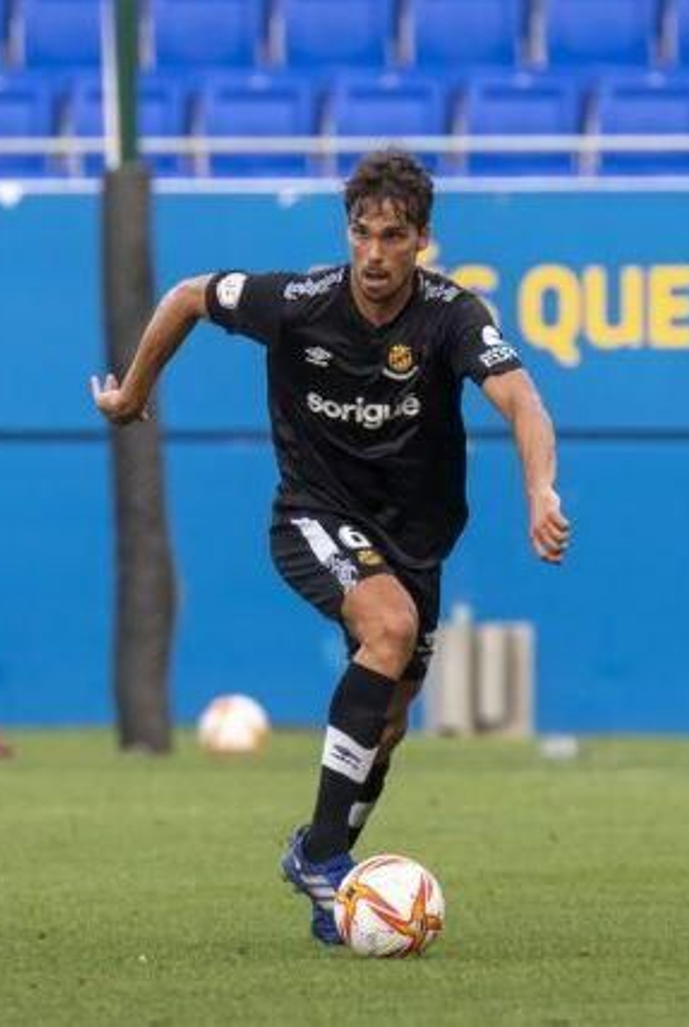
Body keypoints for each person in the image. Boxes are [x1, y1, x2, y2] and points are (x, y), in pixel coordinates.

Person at [90, 149, 570, 945]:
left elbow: (523, 401)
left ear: (422, 239)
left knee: (390, 722)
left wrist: (540, 490)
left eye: (393, 236)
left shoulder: (452, 315)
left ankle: (324, 869)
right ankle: (322, 859)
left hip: (413, 539)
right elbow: (186, 296)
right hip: (314, 514)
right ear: (347, 232)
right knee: (390, 627)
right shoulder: (298, 302)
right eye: (362, 233)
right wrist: (133, 393)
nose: (374, 254)